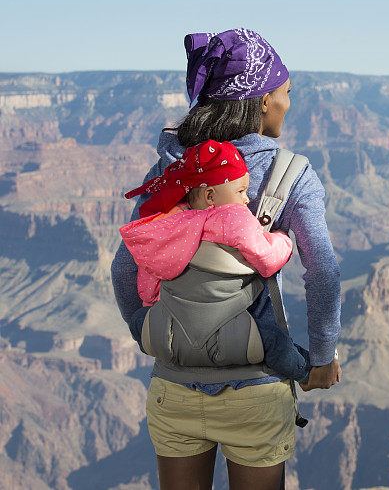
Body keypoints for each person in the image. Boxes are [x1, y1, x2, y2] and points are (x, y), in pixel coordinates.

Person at [110, 28, 342, 490]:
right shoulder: (291, 173)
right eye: (285, 94)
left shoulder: (173, 169)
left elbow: (125, 266)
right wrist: (321, 355)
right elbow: (322, 271)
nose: (288, 105)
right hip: (254, 390)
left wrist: (146, 329)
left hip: (174, 388)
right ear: (260, 100)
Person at [120, 139, 312, 384]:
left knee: (138, 322)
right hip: (228, 333)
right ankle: (306, 373)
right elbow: (267, 258)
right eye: (241, 191)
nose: (246, 200)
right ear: (211, 195)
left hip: (171, 333)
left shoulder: (168, 224)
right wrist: (283, 239)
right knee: (275, 341)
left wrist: (155, 307)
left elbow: (148, 282)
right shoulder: (233, 218)